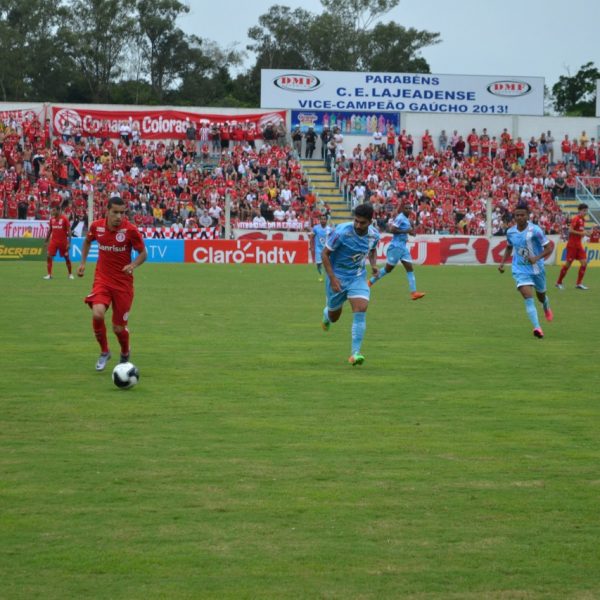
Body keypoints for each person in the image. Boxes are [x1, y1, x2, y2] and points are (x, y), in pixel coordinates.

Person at [77, 196, 147, 371]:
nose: (119, 216)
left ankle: (124, 352)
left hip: (123, 285)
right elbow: (86, 242)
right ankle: (105, 351)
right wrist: (83, 263)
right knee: (98, 314)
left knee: (118, 328)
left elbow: (143, 253)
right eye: (115, 212)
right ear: (107, 211)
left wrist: (133, 265)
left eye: (122, 213)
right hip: (102, 280)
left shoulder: (130, 231)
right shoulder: (96, 227)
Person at [321, 202, 380, 366]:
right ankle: (327, 313)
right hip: (337, 278)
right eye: (356, 221)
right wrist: (332, 279)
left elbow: (373, 249)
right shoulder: (341, 232)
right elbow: (324, 254)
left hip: (357, 277)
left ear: (370, 222)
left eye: (362, 222)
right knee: (334, 317)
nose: (358, 225)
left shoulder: (374, 235)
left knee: (361, 308)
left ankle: (355, 353)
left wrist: (373, 265)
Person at [498, 202, 554, 339]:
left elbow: (549, 248)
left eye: (522, 215)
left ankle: (546, 306)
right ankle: (537, 327)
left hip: (537, 268)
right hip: (520, 269)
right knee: (528, 296)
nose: (519, 217)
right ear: (514, 216)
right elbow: (509, 247)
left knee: (541, 296)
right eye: (517, 215)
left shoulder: (535, 230)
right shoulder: (510, 231)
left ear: (527, 216)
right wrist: (502, 263)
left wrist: (536, 257)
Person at [368, 202, 425, 300]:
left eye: (410, 208)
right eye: (406, 208)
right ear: (403, 209)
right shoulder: (400, 218)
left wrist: (412, 232)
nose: (408, 210)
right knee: (387, 269)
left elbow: (410, 232)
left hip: (403, 247)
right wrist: (406, 231)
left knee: (410, 268)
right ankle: (369, 282)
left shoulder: (407, 220)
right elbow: (392, 229)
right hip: (396, 246)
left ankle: (414, 293)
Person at [556, 203, 589, 290]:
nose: (585, 212)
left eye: (586, 211)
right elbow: (570, 230)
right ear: (580, 211)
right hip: (572, 245)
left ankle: (579, 283)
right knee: (568, 264)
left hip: (579, 245)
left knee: (584, 263)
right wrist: (581, 233)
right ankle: (558, 282)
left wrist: (586, 234)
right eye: (584, 211)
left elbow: (580, 232)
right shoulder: (576, 219)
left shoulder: (583, 220)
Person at [43, 203, 73, 279]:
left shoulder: (64, 219)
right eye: (52, 210)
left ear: (58, 210)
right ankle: (49, 275)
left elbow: (69, 231)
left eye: (54, 210)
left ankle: (70, 274)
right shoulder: (52, 219)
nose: (52, 212)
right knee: (49, 256)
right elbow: (50, 231)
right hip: (53, 242)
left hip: (63, 242)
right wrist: (46, 241)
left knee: (66, 257)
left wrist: (69, 242)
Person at [309, 214, 333, 282]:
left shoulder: (329, 229)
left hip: (327, 250)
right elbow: (311, 237)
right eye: (321, 219)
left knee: (327, 264)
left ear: (326, 220)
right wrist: (311, 246)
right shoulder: (316, 228)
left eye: (324, 219)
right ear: (320, 220)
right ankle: (320, 274)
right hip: (318, 249)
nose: (323, 220)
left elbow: (332, 239)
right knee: (319, 264)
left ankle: (325, 277)